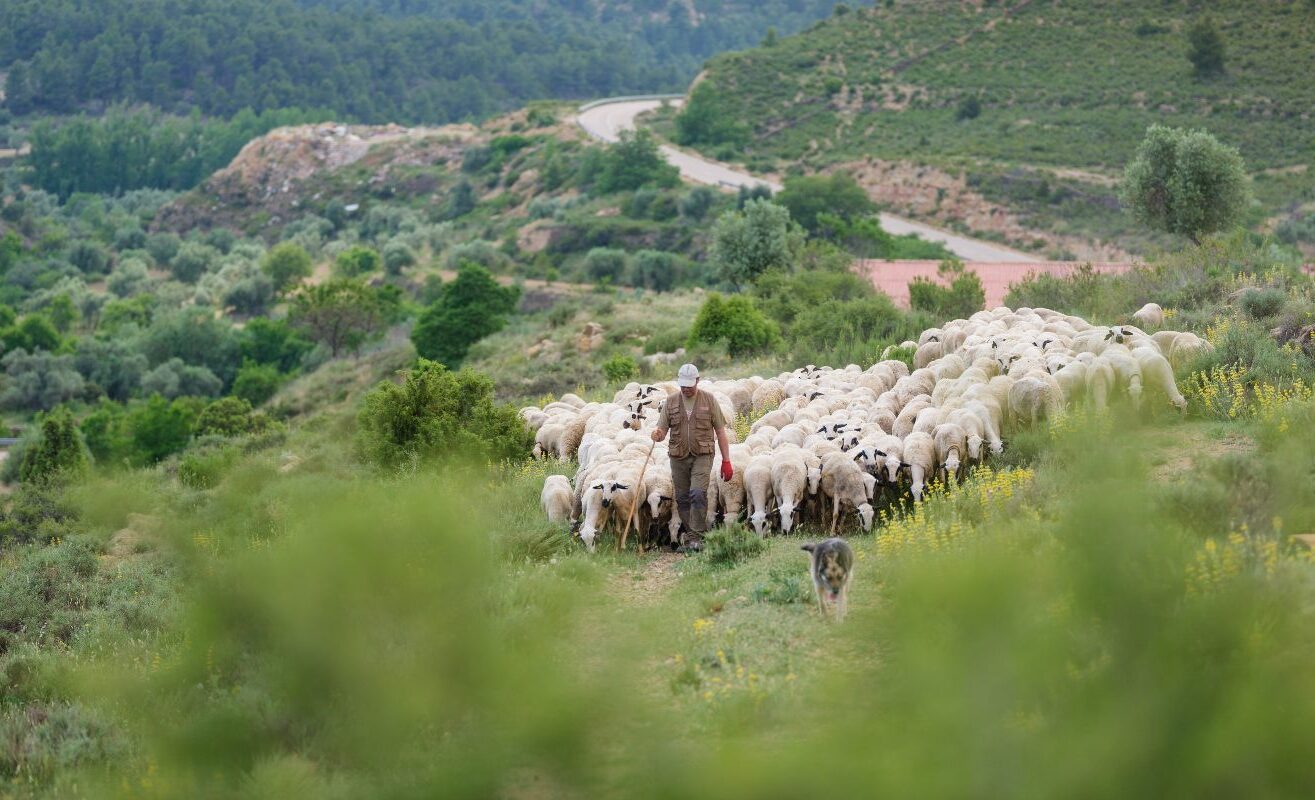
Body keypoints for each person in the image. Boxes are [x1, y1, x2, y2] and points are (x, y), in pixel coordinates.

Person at [651, 363, 733, 552]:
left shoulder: (709, 400)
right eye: (683, 385)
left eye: (690, 385)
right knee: (682, 497)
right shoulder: (670, 402)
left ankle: (697, 537)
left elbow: (720, 432)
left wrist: (726, 461)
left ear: (698, 380)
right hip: (678, 456)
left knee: (697, 493)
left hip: (703, 455)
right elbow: (662, 430)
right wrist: (656, 434)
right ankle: (691, 536)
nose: (686, 389)